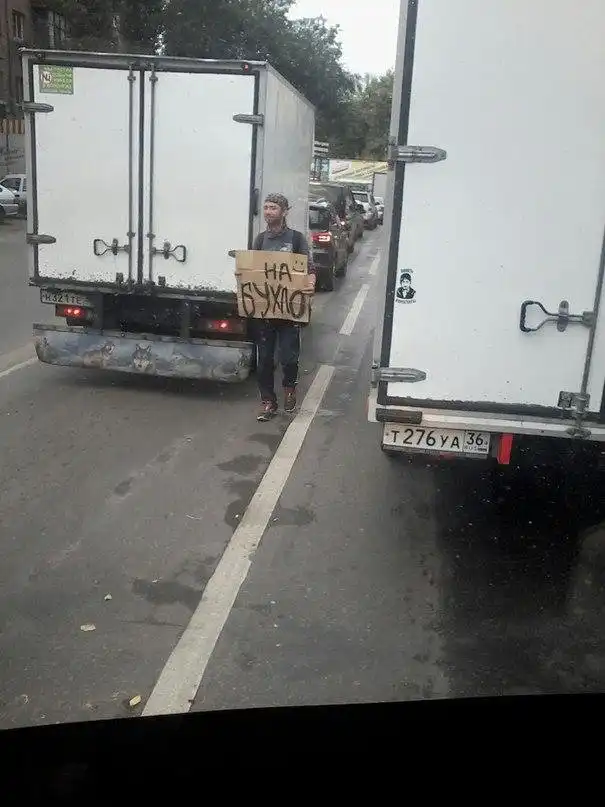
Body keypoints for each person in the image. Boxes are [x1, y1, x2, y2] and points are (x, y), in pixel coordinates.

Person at [251, 193, 316, 422]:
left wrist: (311, 283)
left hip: (289, 313)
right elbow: (253, 270)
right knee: (264, 361)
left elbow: (309, 268)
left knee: (289, 358)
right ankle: (268, 401)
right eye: (266, 207)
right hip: (265, 313)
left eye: (273, 208)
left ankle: (289, 388)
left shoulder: (296, 239)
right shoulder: (260, 240)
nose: (268, 212)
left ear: (284, 212)